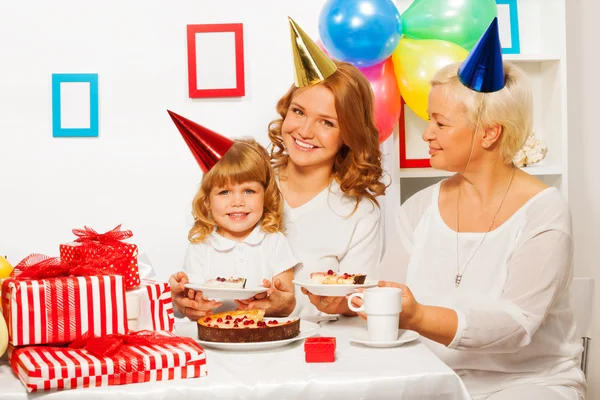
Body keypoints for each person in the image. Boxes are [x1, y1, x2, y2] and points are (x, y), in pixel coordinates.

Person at [352, 19, 586, 400]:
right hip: (431, 381)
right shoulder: (419, 209)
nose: (427, 133)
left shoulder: (545, 213)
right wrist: (349, 303)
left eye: (439, 122)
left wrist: (418, 316)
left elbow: (516, 327)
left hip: (526, 385)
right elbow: (389, 297)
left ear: (489, 132)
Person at [269, 18, 387, 317]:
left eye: (326, 122)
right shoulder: (249, 185)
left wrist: (343, 304)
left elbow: (352, 305)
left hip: (318, 353)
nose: (305, 131)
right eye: (298, 112)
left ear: (348, 134)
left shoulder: (359, 213)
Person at [166, 111, 299, 320]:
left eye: (249, 191)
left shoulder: (274, 242)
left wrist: (275, 301)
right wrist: (195, 304)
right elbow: (192, 305)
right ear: (208, 200)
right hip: (214, 337)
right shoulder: (201, 246)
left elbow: (287, 302)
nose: (237, 201)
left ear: (265, 195)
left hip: (262, 336)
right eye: (224, 192)